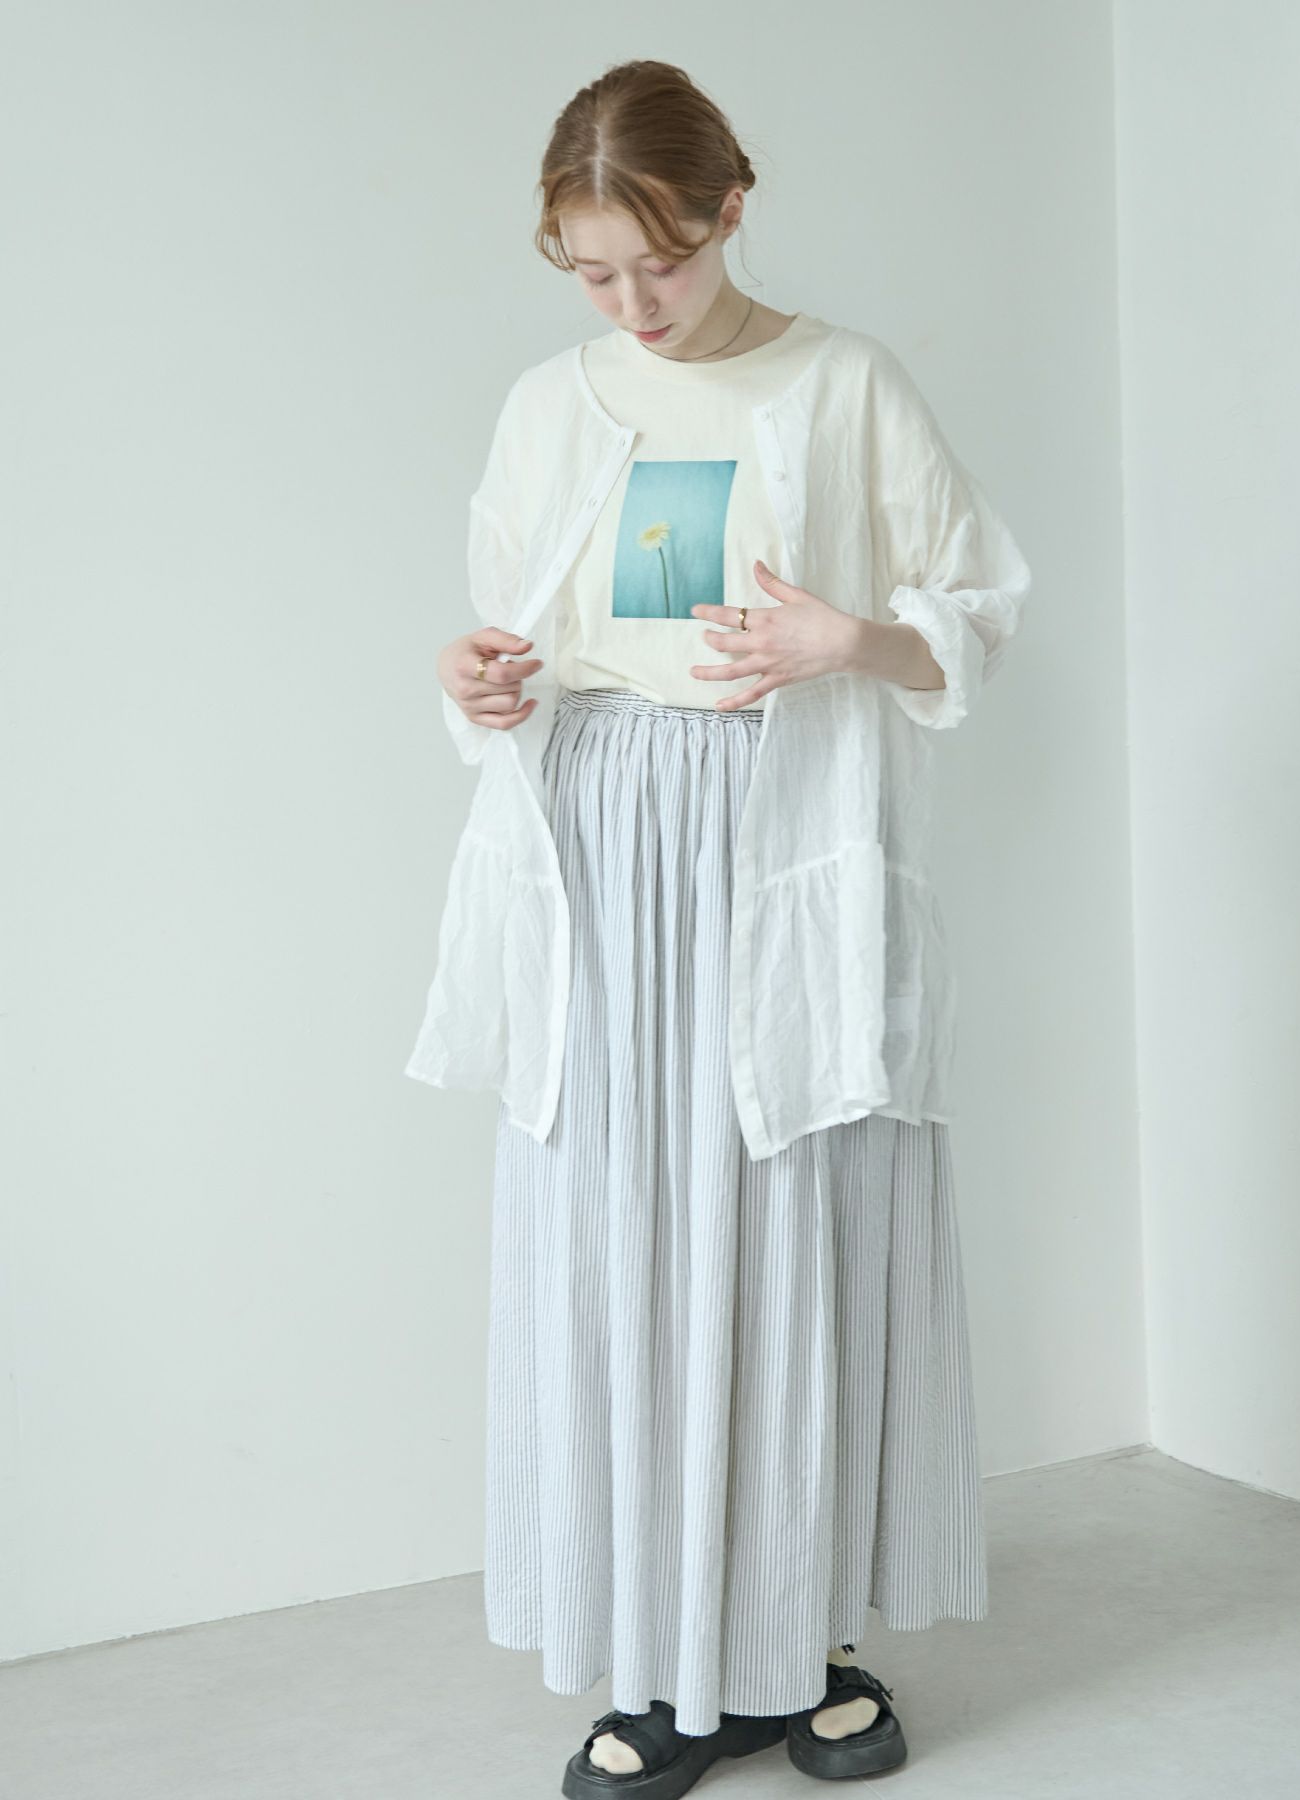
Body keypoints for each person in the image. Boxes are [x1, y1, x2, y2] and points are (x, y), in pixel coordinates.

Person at [408, 58, 1033, 1800]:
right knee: (627, 1228)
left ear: (732, 206)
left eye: (660, 262)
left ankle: (798, 1633)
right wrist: (475, 680)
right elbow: (512, 637)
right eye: (592, 272)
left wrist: (852, 643)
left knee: (791, 1223)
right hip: (604, 845)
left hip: (782, 834)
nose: (633, 304)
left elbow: (977, 608)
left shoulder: (844, 384)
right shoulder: (550, 406)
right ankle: (665, 1651)